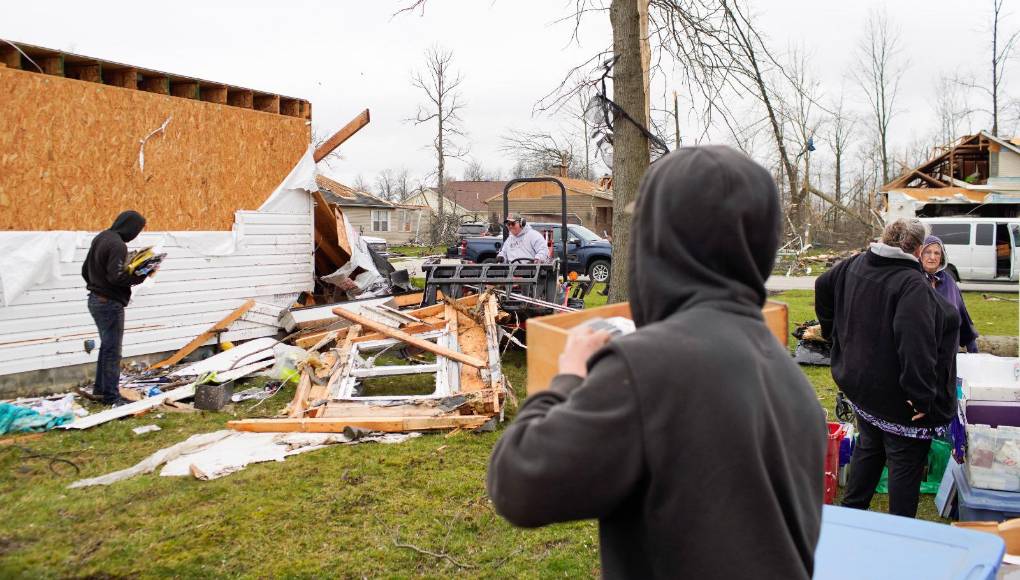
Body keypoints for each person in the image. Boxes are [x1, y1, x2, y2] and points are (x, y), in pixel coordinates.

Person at [487, 146, 827, 578]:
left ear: (658, 241)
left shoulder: (647, 367)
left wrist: (568, 376)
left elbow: (518, 484)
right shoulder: (784, 371)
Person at [816, 219, 960, 518]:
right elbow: (915, 345)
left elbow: (822, 284)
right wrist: (921, 396)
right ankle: (899, 535)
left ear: (883, 238)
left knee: (870, 448)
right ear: (919, 249)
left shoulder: (854, 264)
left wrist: (834, 334)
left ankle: (850, 517)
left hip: (862, 387)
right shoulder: (911, 284)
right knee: (904, 465)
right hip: (898, 402)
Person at [81, 210, 151, 406]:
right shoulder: (117, 245)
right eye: (137, 230)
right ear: (130, 227)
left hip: (95, 299)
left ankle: (101, 390)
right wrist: (142, 274)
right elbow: (117, 277)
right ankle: (112, 397)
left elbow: (85, 270)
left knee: (106, 347)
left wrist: (96, 285)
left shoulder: (102, 237)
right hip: (109, 303)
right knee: (112, 350)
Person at [920, 235, 979, 353]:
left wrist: (973, 349)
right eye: (927, 252)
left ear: (942, 257)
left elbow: (962, 317)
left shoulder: (949, 282)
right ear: (920, 254)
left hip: (948, 353)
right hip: (921, 351)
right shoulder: (914, 280)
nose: (932, 257)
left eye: (937, 253)